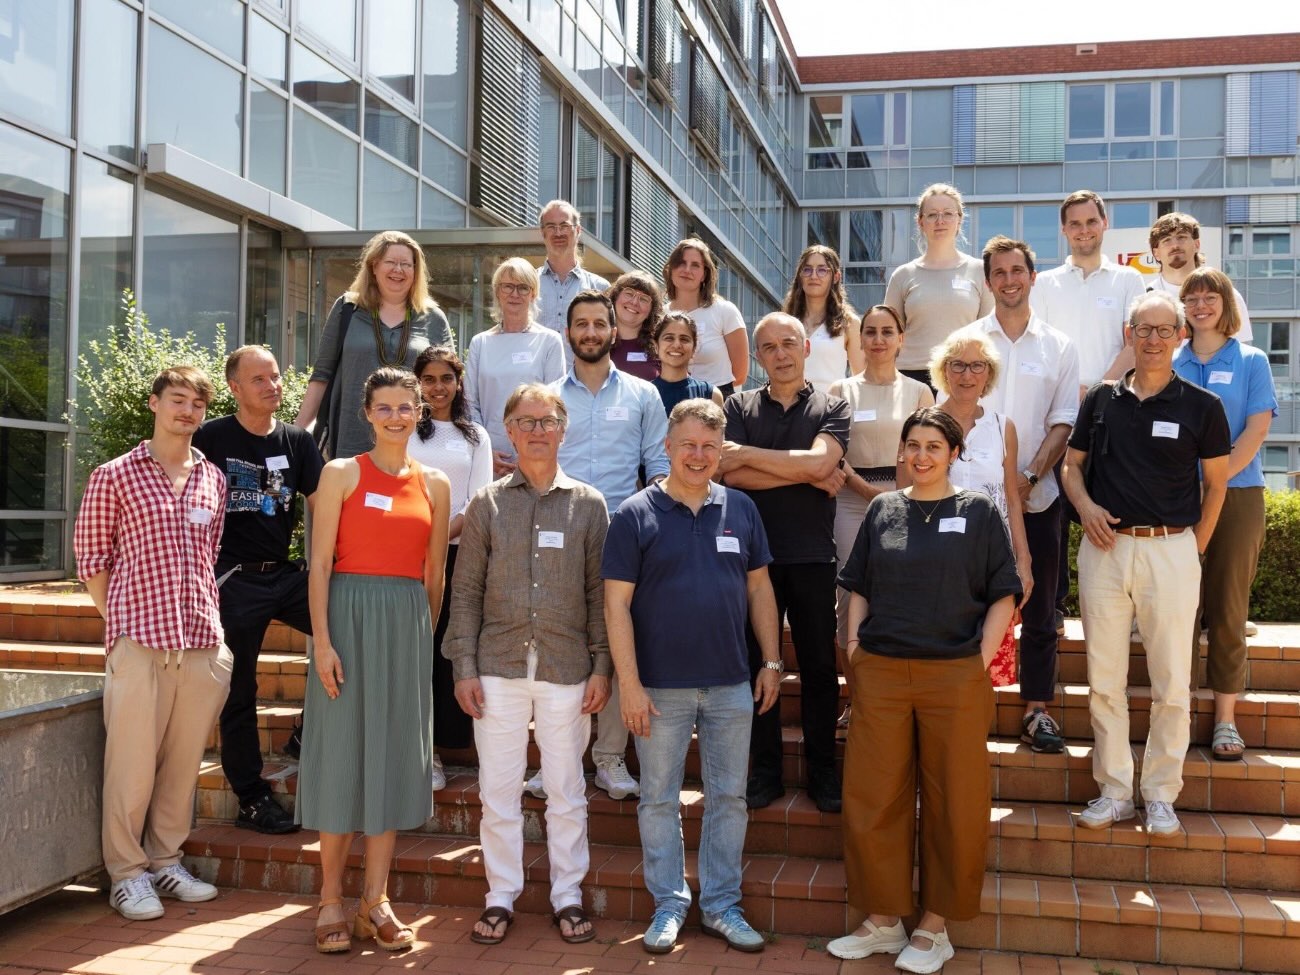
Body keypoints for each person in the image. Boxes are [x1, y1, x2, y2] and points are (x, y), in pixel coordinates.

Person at [828, 407, 1019, 971]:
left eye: (934, 446)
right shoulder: (884, 508)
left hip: (954, 675)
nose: (921, 455)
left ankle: (935, 927)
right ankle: (884, 921)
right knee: (872, 796)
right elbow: (857, 583)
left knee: (954, 801)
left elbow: (1004, 592)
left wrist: (979, 661)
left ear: (953, 453)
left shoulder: (979, 512)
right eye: (912, 445)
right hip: (883, 673)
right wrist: (857, 648)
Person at [603, 399, 781, 955]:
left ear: (720, 450)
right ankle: (669, 903)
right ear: (668, 448)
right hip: (658, 688)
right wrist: (628, 684)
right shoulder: (635, 514)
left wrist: (771, 661)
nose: (698, 455)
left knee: (728, 797)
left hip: (731, 682)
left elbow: (760, 590)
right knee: (658, 798)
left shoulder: (743, 510)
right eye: (688, 445)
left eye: (708, 445)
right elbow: (615, 606)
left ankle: (722, 905)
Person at [445, 384, 610, 948]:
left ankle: (567, 893)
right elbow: (464, 592)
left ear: (563, 429)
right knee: (498, 789)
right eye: (526, 421)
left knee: (565, 787)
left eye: (548, 420)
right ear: (508, 432)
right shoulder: (488, 504)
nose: (537, 431)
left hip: (568, 666)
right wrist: (463, 665)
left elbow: (599, 591)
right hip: (497, 665)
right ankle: (501, 894)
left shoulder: (589, 503)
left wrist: (603, 665)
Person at [1062, 291, 1229, 837]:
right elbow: (1072, 467)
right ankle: (1115, 792)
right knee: (1103, 678)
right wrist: (1084, 508)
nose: (1153, 339)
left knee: (1172, 682)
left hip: (1172, 551)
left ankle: (1160, 794)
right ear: (1129, 334)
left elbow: (1217, 484)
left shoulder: (1202, 406)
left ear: (1180, 336)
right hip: (1105, 551)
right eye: (1143, 329)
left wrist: (1191, 550)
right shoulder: (1103, 400)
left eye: (1163, 330)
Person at [298, 367, 451, 953]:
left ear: (419, 411)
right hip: (345, 619)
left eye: (404, 407)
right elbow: (318, 565)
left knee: (388, 757)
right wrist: (323, 641)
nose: (395, 416)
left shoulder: (434, 483)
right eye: (383, 407)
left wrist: (421, 634)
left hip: (405, 626)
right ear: (367, 413)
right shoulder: (340, 473)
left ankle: (375, 901)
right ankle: (331, 899)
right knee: (341, 756)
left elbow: (433, 574)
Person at [74, 365, 231, 921]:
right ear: (154, 403)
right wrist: (121, 623)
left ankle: (165, 860)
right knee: (131, 765)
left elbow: (208, 555)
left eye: (197, 405)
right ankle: (126, 873)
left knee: (182, 765)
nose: (187, 412)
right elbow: (92, 558)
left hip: (201, 643)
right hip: (139, 642)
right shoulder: (114, 475)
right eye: (177, 400)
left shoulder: (213, 477)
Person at [533, 290, 668, 802]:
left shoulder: (643, 394)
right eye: (580, 324)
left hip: (620, 534)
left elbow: (658, 465)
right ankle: (557, 760)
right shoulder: (545, 396)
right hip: (556, 531)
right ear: (568, 332)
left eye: (598, 324)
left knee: (616, 644)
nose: (590, 332)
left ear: (614, 331)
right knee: (559, 645)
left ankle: (610, 758)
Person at [718, 313, 850, 814]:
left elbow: (821, 464)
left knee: (819, 668)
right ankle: (766, 772)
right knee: (755, 663)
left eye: (788, 343)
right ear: (758, 355)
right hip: (752, 561)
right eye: (768, 346)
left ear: (806, 349)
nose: (780, 353)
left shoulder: (832, 406)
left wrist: (753, 457)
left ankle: (823, 774)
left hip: (813, 556)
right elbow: (730, 477)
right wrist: (806, 474)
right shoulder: (738, 405)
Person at [193, 346, 323, 835]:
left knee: (352, 630)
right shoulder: (210, 438)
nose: (272, 385)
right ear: (234, 388)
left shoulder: (296, 442)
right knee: (239, 689)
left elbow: (327, 500)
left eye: (275, 377)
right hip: (231, 577)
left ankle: (307, 733)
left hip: (285, 576)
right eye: (259, 379)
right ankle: (251, 797)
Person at [956, 236, 1079, 754]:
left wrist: (1027, 475)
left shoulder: (1060, 346)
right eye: (999, 273)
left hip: (1040, 497)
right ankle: (964, 705)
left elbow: (1064, 421)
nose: (1009, 280)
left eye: (1017, 271)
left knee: (1042, 606)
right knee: (966, 604)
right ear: (989, 282)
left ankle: (1036, 711)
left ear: (1032, 276)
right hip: (971, 506)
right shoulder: (965, 342)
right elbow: (952, 416)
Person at [1030, 190, 1146, 634]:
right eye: (1074, 224)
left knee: (1115, 509)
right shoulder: (1046, 283)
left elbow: (1134, 342)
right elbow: (1040, 344)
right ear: (1064, 230)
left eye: (1090, 222)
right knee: (1056, 516)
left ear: (1104, 223)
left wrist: (1097, 390)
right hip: (1058, 411)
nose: (1083, 231)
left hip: (1112, 410)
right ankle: (1054, 609)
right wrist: (1070, 392)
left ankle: (1128, 610)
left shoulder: (1128, 281)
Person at [1172, 268, 1276, 760]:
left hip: (1237, 495)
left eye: (1209, 296)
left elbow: (1256, 429)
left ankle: (1225, 720)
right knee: (1178, 611)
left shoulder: (1252, 360)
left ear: (1225, 303)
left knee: (1229, 610)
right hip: (1177, 498)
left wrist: (1217, 482)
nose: (1200, 304)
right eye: (1190, 297)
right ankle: (1179, 714)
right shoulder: (1170, 362)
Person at [828, 305, 933, 728]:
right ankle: (856, 699)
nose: (877, 339)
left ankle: (903, 698)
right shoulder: (840, 389)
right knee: (850, 600)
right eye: (870, 331)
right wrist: (868, 492)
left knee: (904, 596)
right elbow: (834, 453)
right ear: (860, 339)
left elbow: (925, 450)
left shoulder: (919, 392)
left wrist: (897, 496)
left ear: (901, 338)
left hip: (908, 498)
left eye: (887, 331)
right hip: (853, 501)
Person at [407, 346, 494, 788]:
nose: (437, 387)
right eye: (429, 379)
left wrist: (438, 539)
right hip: (403, 555)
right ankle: (410, 748)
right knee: (411, 652)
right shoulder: (404, 431)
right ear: (417, 383)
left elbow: (479, 501)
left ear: (458, 383)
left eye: (446, 378)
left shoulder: (476, 436)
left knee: (443, 652)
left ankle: (438, 753)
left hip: (456, 556)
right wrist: (417, 540)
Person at [296, 230, 453, 459]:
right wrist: (297, 433)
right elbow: (322, 376)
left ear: (415, 271)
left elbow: (447, 386)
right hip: (353, 439)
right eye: (390, 262)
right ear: (374, 266)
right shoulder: (347, 308)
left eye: (406, 264)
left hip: (415, 444)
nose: (398, 270)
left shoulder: (434, 317)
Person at [464, 258, 567, 477]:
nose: (515, 294)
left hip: (536, 454)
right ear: (497, 292)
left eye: (523, 287)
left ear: (533, 294)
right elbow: (469, 404)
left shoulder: (549, 341)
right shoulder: (480, 343)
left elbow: (555, 405)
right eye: (508, 286)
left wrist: (532, 451)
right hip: (490, 458)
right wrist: (485, 450)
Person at [884, 183, 993, 388]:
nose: (940, 220)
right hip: (910, 377)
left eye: (948, 213)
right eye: (932, 214)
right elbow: (888, 334)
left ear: (959, 219)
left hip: (963, 375)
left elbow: (989, 333)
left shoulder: (980, 271)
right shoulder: (903, 275)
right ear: (920, 222)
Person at [1149, 212, 1252, 343]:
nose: (1175, 245)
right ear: (1156, 253)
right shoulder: (1147, 296)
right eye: (1166, 240)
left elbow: (1242, 349)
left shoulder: (1224, 293)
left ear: (1196, 245)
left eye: (1181, 237)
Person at [664, 238, 749, 396]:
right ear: (670, 269)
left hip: (717, 401)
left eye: (695, 265)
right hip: (670, 400)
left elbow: (740, 374)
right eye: (681, 263)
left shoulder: (724, 311)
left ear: (704, 275)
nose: (687, 270)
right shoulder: (660, 315)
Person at [784, 244, 864, 393]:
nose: (813, 276)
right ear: (800, 276)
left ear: (836, 277)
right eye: (807, 270)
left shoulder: (849, 323)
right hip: (789, 408)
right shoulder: (786, 321)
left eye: (822, 270)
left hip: (831, 409)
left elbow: (860, 379)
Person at [537, 199, 610, 349]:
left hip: (582, 373)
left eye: (564, 225)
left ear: (578, 231)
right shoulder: (528, 284)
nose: (558, 233)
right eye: (551, 227)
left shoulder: (600, 288)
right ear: (542, 232)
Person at [650, 312, 724, 415]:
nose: (677, 344)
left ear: (694, 348)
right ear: (656, 346)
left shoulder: (711, 395)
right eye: (669, 338)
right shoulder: (643, 394)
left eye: (684, 339)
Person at [608, 269, 665, 381]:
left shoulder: (661, 347)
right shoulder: (597, 341)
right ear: (615, 298)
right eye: (629, 293)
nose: (634, 302)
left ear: (651, 311)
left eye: (643, 299)